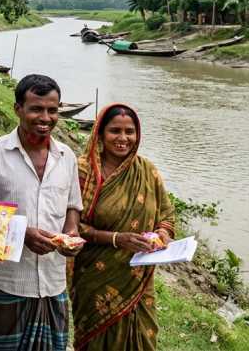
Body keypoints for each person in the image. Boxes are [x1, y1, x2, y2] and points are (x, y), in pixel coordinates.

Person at [0, 74, 83, 351]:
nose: (45, 117)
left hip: (54, 282)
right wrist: (23, 234)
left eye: (52, 110)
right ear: (18, 109)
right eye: (36, 109)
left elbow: (72, 205)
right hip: (9, 282)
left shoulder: (67, 156)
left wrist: (71, 233)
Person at [70, 104, 176, 351]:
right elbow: (71, 227)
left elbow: (167, 213)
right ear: (100, 133)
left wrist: (162, 233)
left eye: (130, 132)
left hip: (138, 279)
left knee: (141, 338)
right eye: (115, 130)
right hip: (93, 276)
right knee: (96, 339)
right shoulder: (82, 170)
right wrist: (117, 238)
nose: (123, 138)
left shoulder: (147, 171)